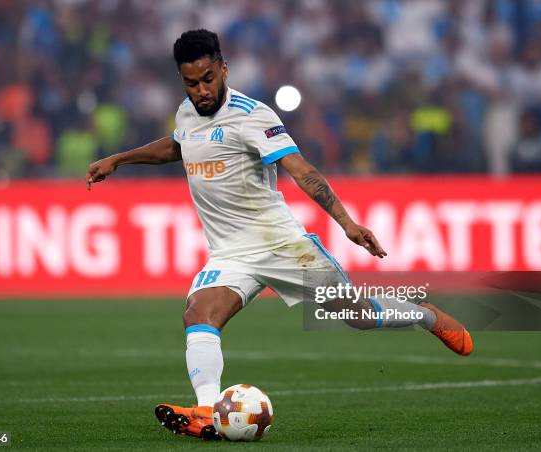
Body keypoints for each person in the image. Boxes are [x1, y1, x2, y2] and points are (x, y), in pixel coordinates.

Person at [85, 29, 473, 441]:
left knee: (361, 316)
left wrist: (347, 223)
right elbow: (178, 146)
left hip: (282, 247)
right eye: (191, 83)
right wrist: (119, 159)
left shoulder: (253, 115)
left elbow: (303, 171)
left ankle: (427, 315)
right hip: (230, 253)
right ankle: (205, 412)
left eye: (208, 79)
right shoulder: (186, 113)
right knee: (198, 315)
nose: (201, 90)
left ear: (223, 69)